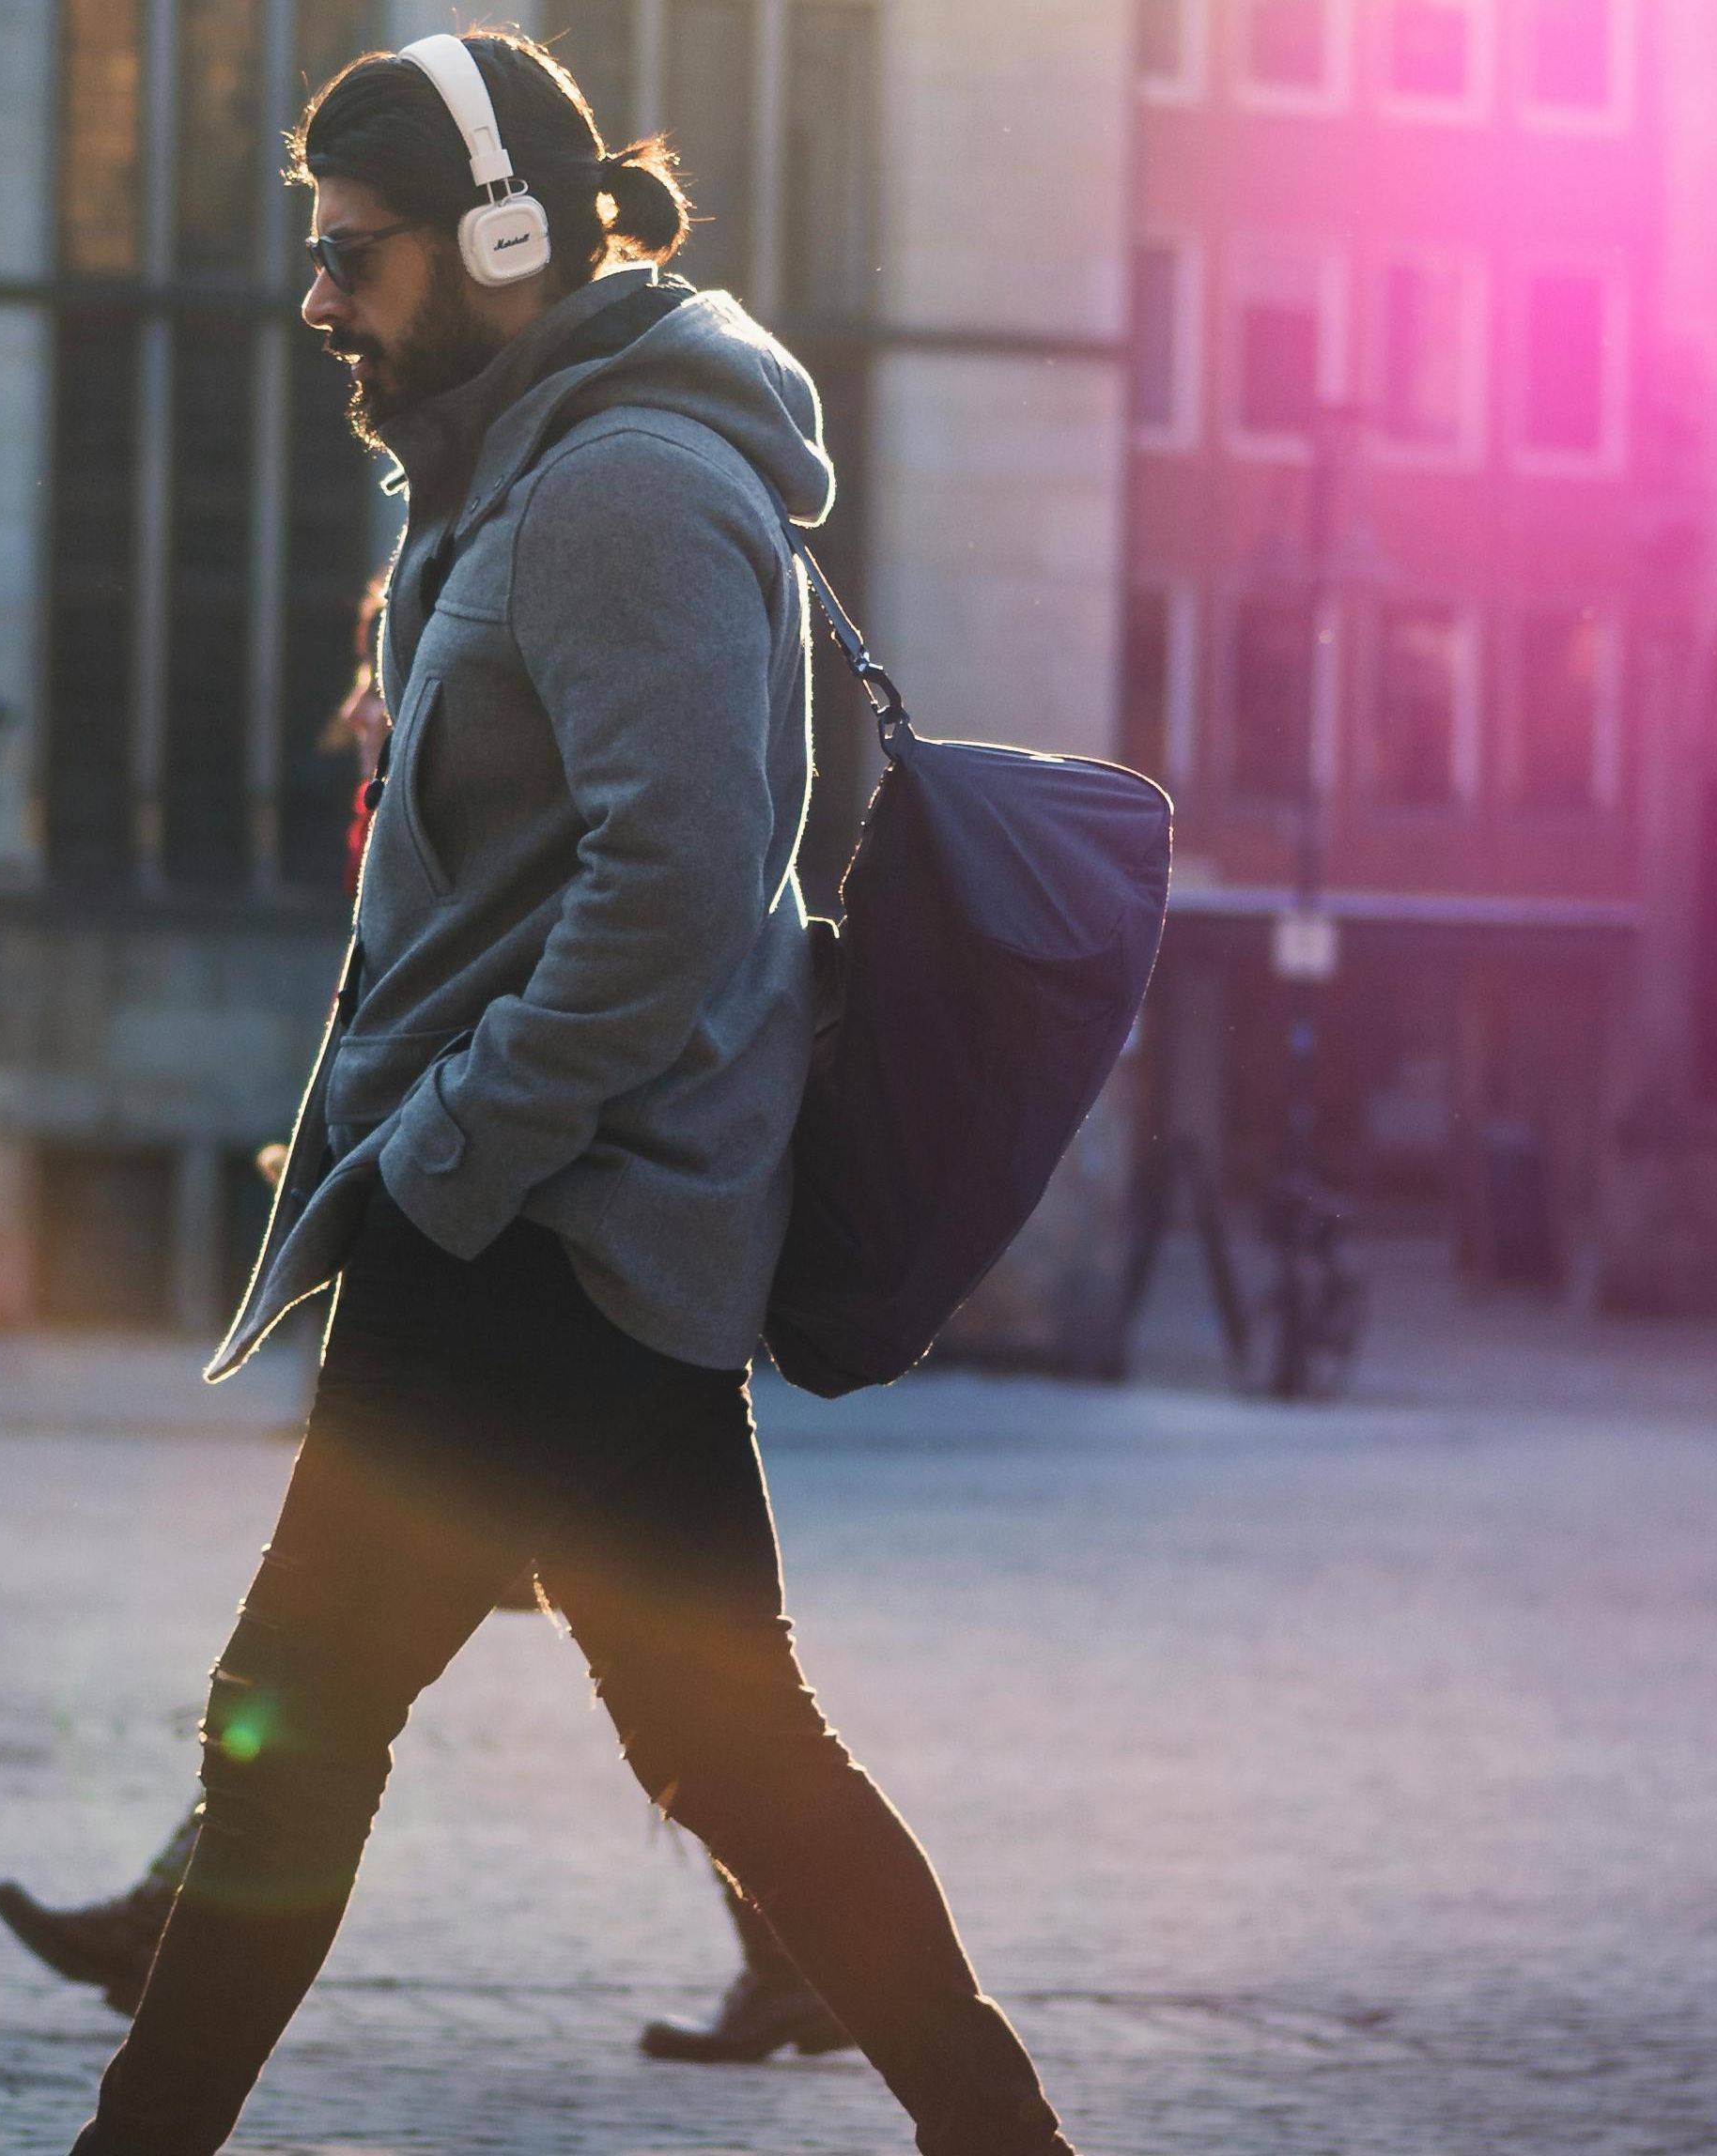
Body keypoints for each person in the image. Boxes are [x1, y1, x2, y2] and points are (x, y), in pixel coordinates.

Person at [61, 31, 1072, 2153]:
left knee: (291, 1738)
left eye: (357, 255)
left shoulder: (622, 485)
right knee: (745, 1764)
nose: (321, 296)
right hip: (593, 1232)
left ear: (505, 240)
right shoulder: (532, 467)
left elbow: (686, 872)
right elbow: (579, 823)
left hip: (534, 1234)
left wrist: (454, 1154)